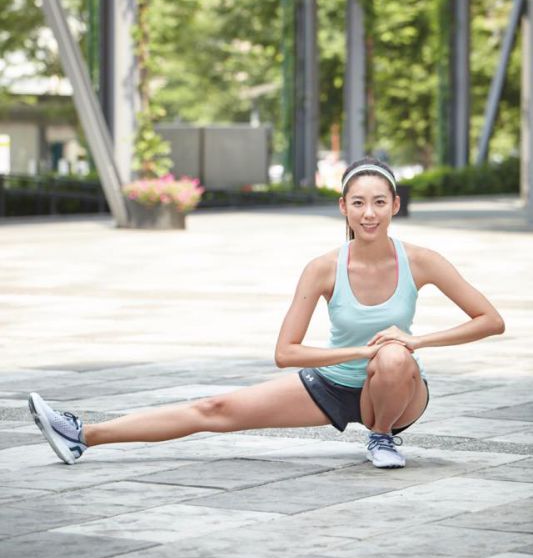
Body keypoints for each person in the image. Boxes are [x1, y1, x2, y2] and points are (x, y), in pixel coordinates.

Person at [28, 157, 505, 470]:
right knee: (214, 409)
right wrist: (362, 349)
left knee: (395, 359)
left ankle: (381, 438)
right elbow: (286, 352)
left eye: (379, 202)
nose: (369, 213)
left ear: (395, 205)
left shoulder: (421, 260)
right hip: (337, 386)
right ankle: (81, 434)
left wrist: (414, 341)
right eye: (358, 203)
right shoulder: (322, 268)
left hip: (401, 395)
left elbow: (490, 320)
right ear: (343, 207)